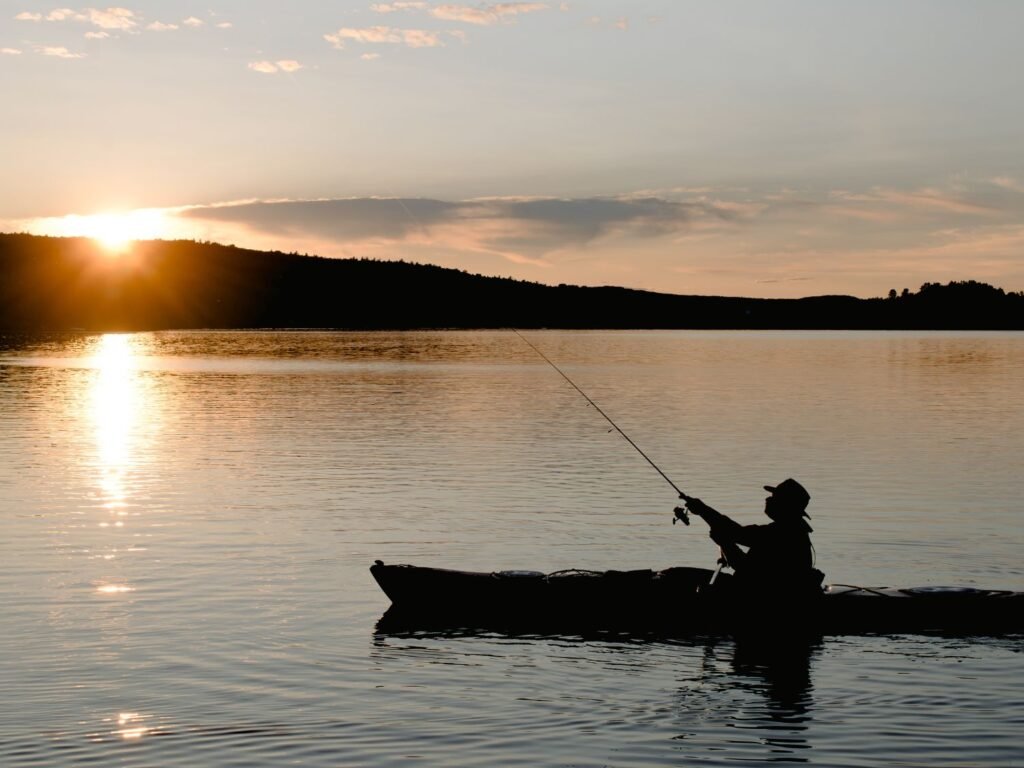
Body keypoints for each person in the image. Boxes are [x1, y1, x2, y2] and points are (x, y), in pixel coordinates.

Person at [677, 479, 823, 597]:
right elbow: (735, 535)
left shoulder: (779, 533)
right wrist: (705, 513)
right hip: (768, 590)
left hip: (763, 596)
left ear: (785, 506)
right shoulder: (792, 530)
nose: (768, 499)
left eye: (774, 498)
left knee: (679, 578)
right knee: (680, 574)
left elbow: (743, 564)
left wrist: (724, 542)